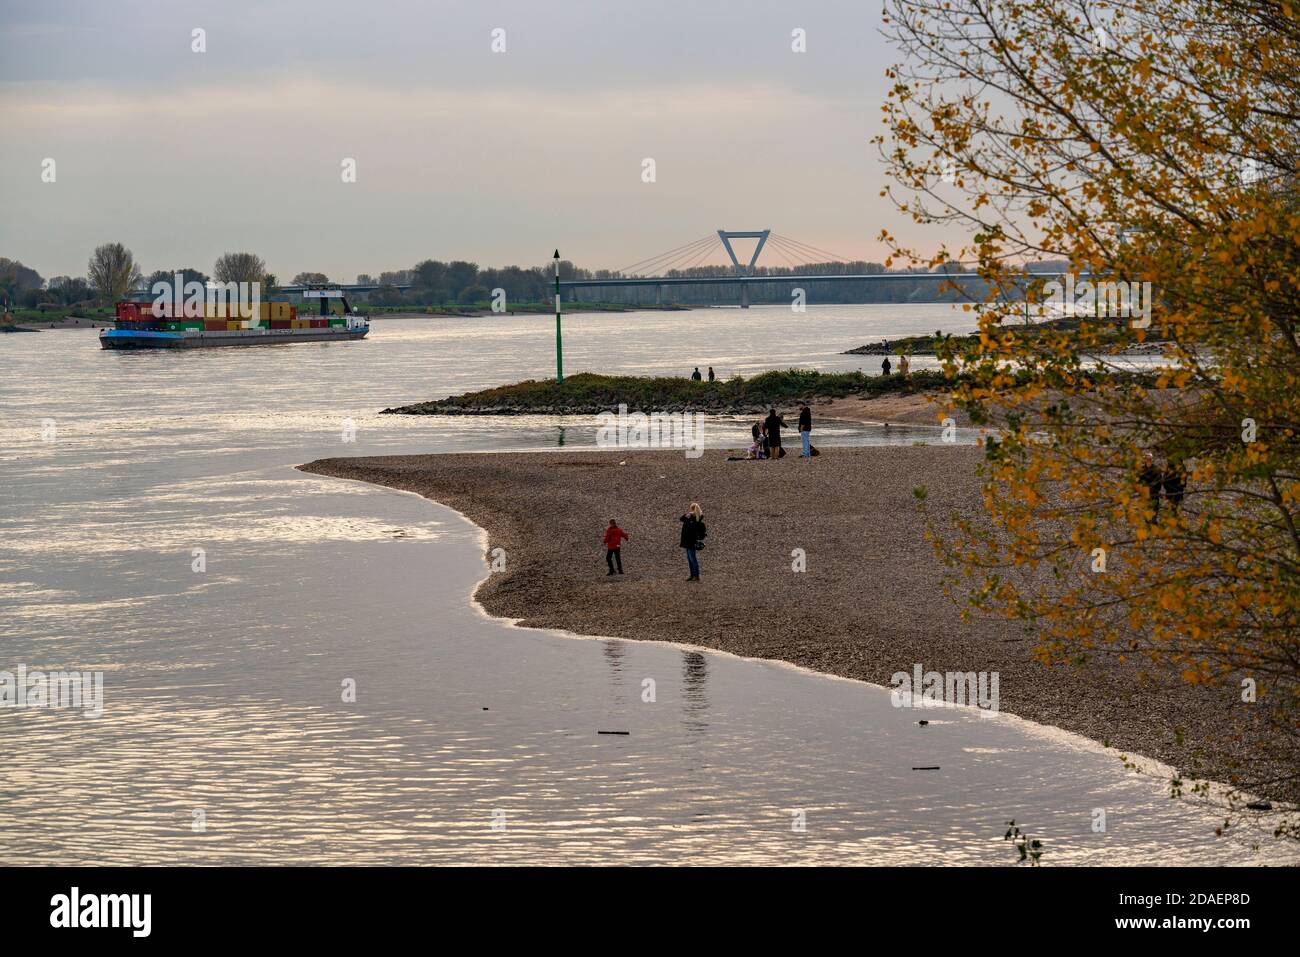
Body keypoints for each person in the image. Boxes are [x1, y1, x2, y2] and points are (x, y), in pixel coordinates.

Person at [679, 503, 706, 581]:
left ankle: (696, 576)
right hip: (687, 541)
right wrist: (686, 515)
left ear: (692, 509)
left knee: (692, 559)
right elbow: (681, 519)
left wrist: (689, 515)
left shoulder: (696, 519)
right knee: (690, 559)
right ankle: (692, 575)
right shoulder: (689, 518)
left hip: (691, 541)